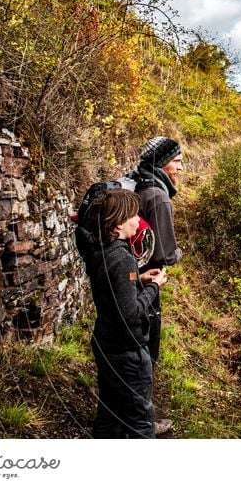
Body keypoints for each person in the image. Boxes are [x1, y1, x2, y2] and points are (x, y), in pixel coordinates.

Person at [81, 188, 167, 438]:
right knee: (140, 420)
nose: (137, 221)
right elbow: (130, 313)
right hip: (126, 351)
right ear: (118, 223)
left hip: (106, 344)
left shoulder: (99, 249)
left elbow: (110, 286)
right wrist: (153, 286)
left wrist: (137, 280)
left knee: (108, 410)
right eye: (133, 215)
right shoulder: (122, 259)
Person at [129, 137, 184, 364]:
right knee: (146, 335)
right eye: (177, 161)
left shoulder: (138, 180)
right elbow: (165, 255)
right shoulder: (159, 197)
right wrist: (179, 252)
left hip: (130, 272)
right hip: (147, 277)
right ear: (161, 162)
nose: (180, 167)